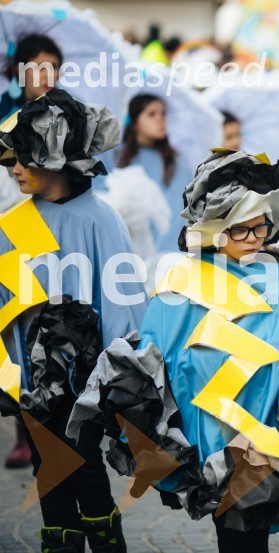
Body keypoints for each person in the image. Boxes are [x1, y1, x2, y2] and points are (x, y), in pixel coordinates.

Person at [70, 149, 279, 553]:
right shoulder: (180, 282)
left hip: (265, 435)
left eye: (263, 227)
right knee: (234, 531)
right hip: (207, 435)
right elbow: (158, 362)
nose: (256, 238)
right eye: (243, 229)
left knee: (246, 533)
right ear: (215, 227)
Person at [0, 89, 146, 552]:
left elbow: (122, 300)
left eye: (24, 157)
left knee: (79, 463)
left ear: (54, 157)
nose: (14, 168)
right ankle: (62, 543)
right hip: (31, 378)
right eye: (11, 159)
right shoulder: (11, 224)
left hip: (87, 378)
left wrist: (123, 373)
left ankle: (105, 541)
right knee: (50, 468)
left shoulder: (101, 220)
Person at [1, 34, 63, 468]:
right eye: (38, 67)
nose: (47, 76)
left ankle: (65, 416)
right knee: (19, 330)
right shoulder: (5, 117)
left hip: (54, 232)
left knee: (56, 324)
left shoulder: (68, 117)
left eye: (54, 66)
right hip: (13, 230)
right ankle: (25, 426)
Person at [116, 93, 191, 254]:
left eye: (163, 113)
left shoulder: (178, 164)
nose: (160, 119)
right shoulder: (115, 157)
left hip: (172, 256)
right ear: (134, 121)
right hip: (129, 253)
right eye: (151, 114)